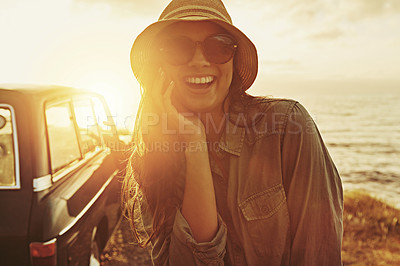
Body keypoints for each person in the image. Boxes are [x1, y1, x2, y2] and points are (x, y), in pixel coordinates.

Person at [122, 0, 343, 265]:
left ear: (234, 59)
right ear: (160, 67)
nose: (199, 61)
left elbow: (318, 253)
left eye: (218, 46)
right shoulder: (151, 160)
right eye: (177, 48)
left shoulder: (286, 127)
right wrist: (194, 143)